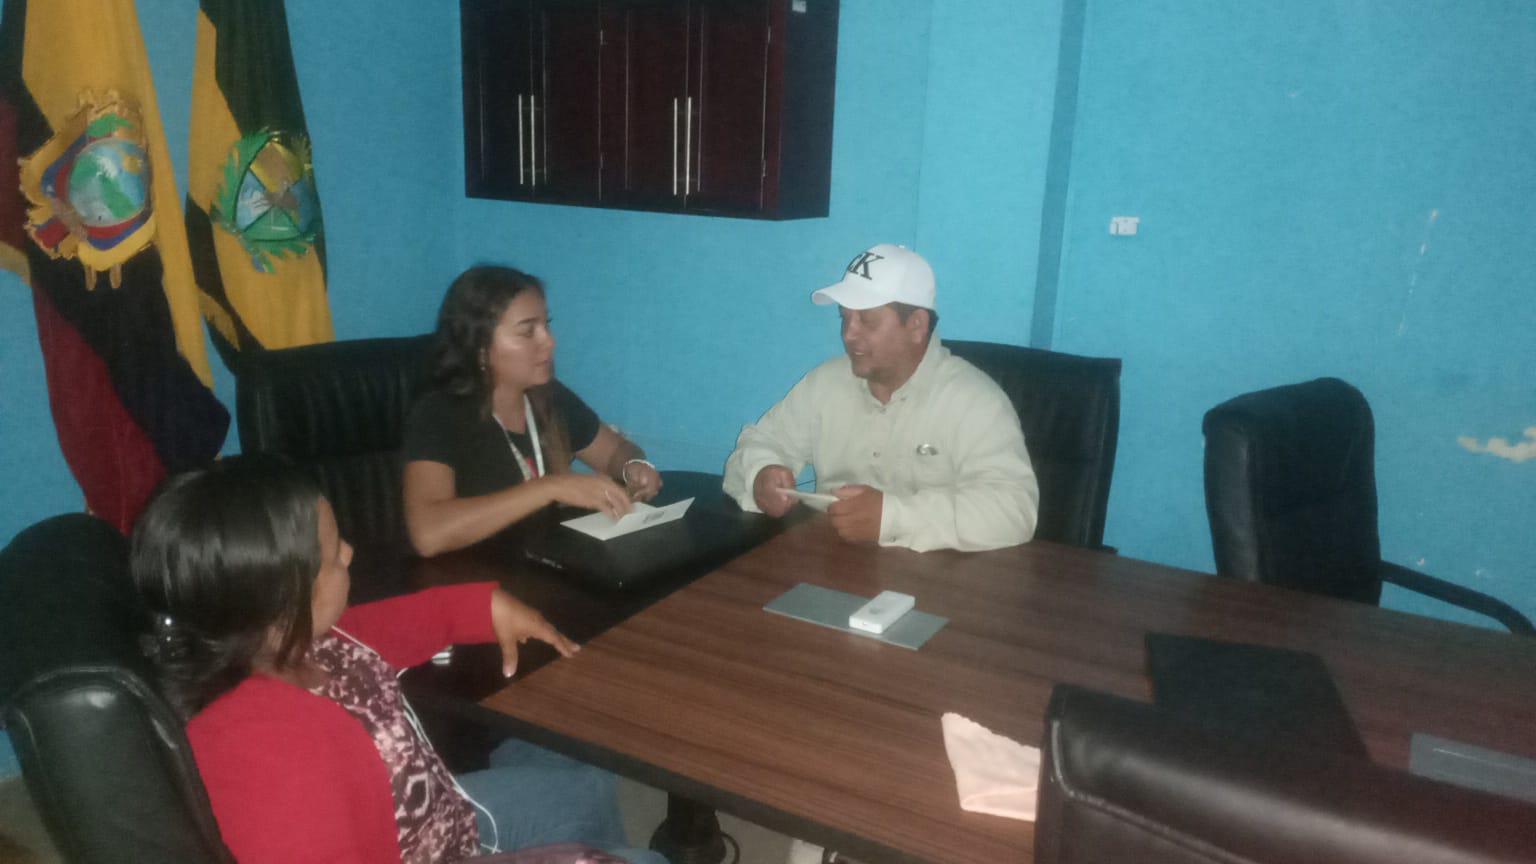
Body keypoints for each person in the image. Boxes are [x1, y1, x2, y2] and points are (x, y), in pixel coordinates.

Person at [129, 455, 664, 864]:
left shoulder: (293, 641)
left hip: (441, 820)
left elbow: (374, 630)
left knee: (590, 784)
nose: (349, 553)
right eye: (332, 554)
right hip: (428, 851)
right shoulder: (263, 759)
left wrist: (479, 607)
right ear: (277, 594)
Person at [723, 243, 1039, 552]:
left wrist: (892, 517)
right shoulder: (826, 382)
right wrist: (760, 475)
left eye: (868, 320)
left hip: (938, 575)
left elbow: (1014, 510)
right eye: (844, 317)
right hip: (834, 560)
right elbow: (758, 444)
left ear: (916, 325)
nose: (848, 333)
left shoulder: (973, 400)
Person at [403, 265, 662, 557]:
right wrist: (549, 488)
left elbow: (615, 451)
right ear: (480, 347)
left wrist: (633, 467)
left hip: (542, 563)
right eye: (528, 331)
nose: (549, 341)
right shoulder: (438, 414)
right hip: (474, 572)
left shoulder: (547, 396)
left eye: (546, 325)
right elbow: (428, 534)